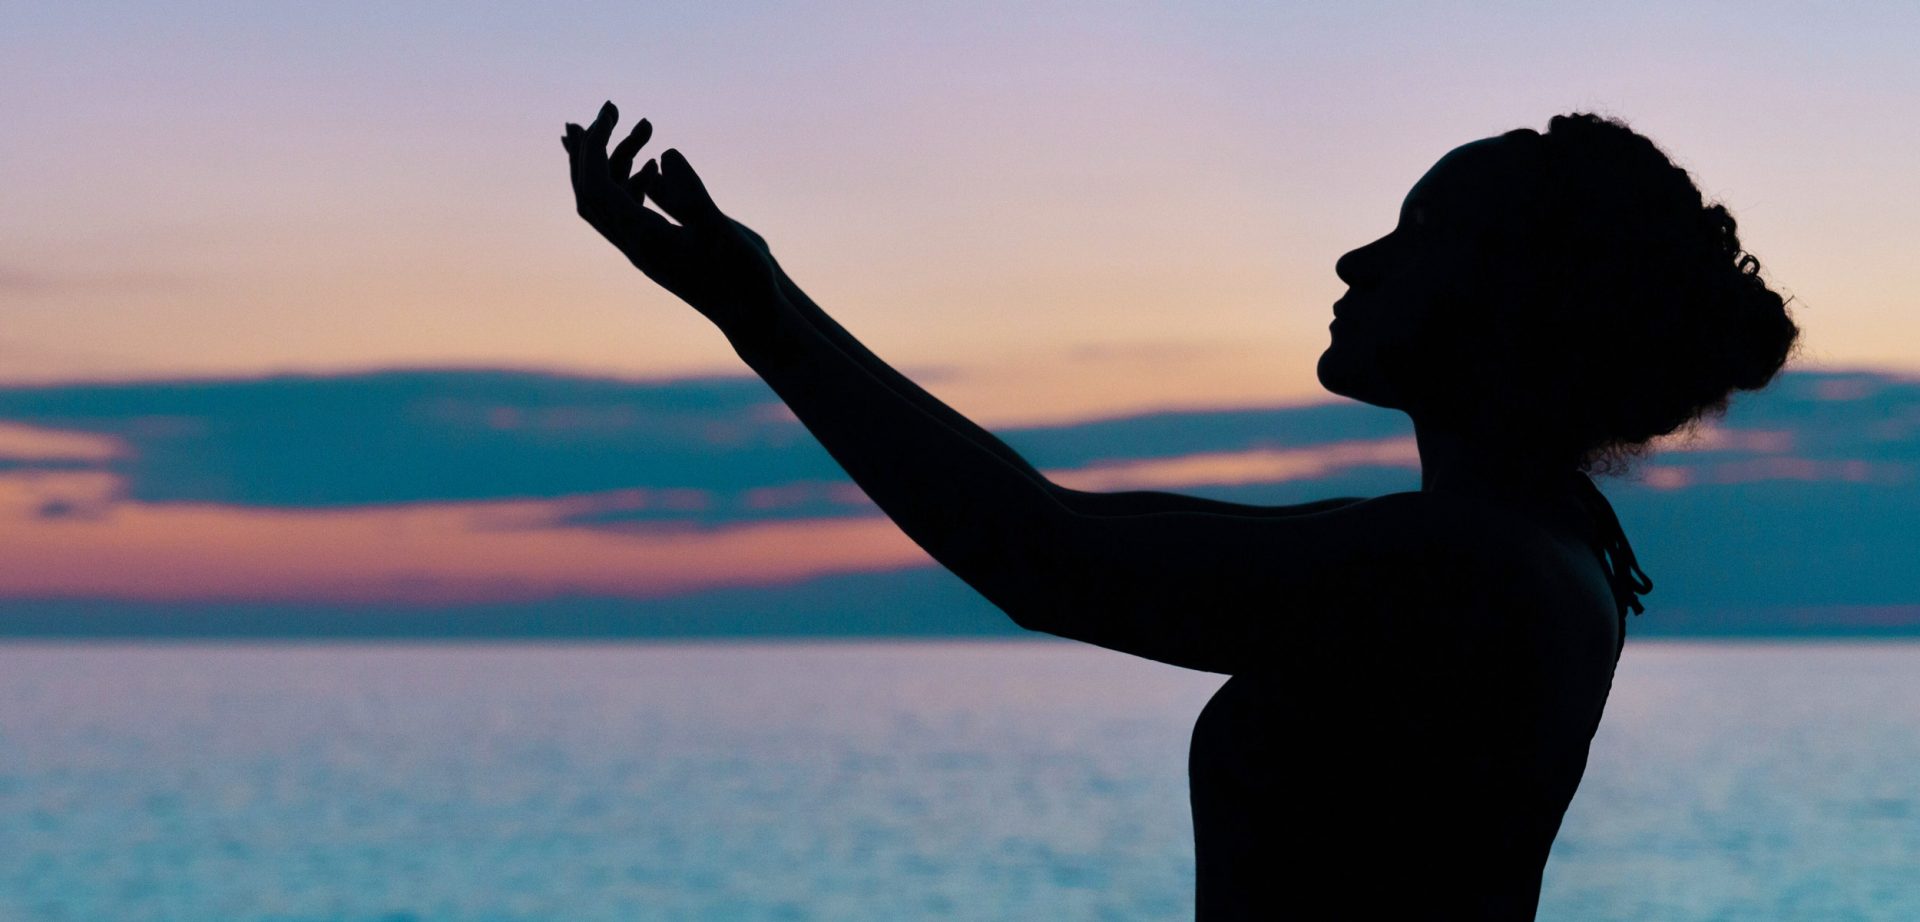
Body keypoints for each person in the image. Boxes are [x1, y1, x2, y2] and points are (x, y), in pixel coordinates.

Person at [561, 104, 1799, 919]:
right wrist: (759, 301)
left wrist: (758, 310)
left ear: (1505, 300)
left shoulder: (1476, 569)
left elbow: (1043, 556)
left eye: (1413, 235)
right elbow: (1056, 530)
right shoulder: (1535, 550)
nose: (1354, 262)